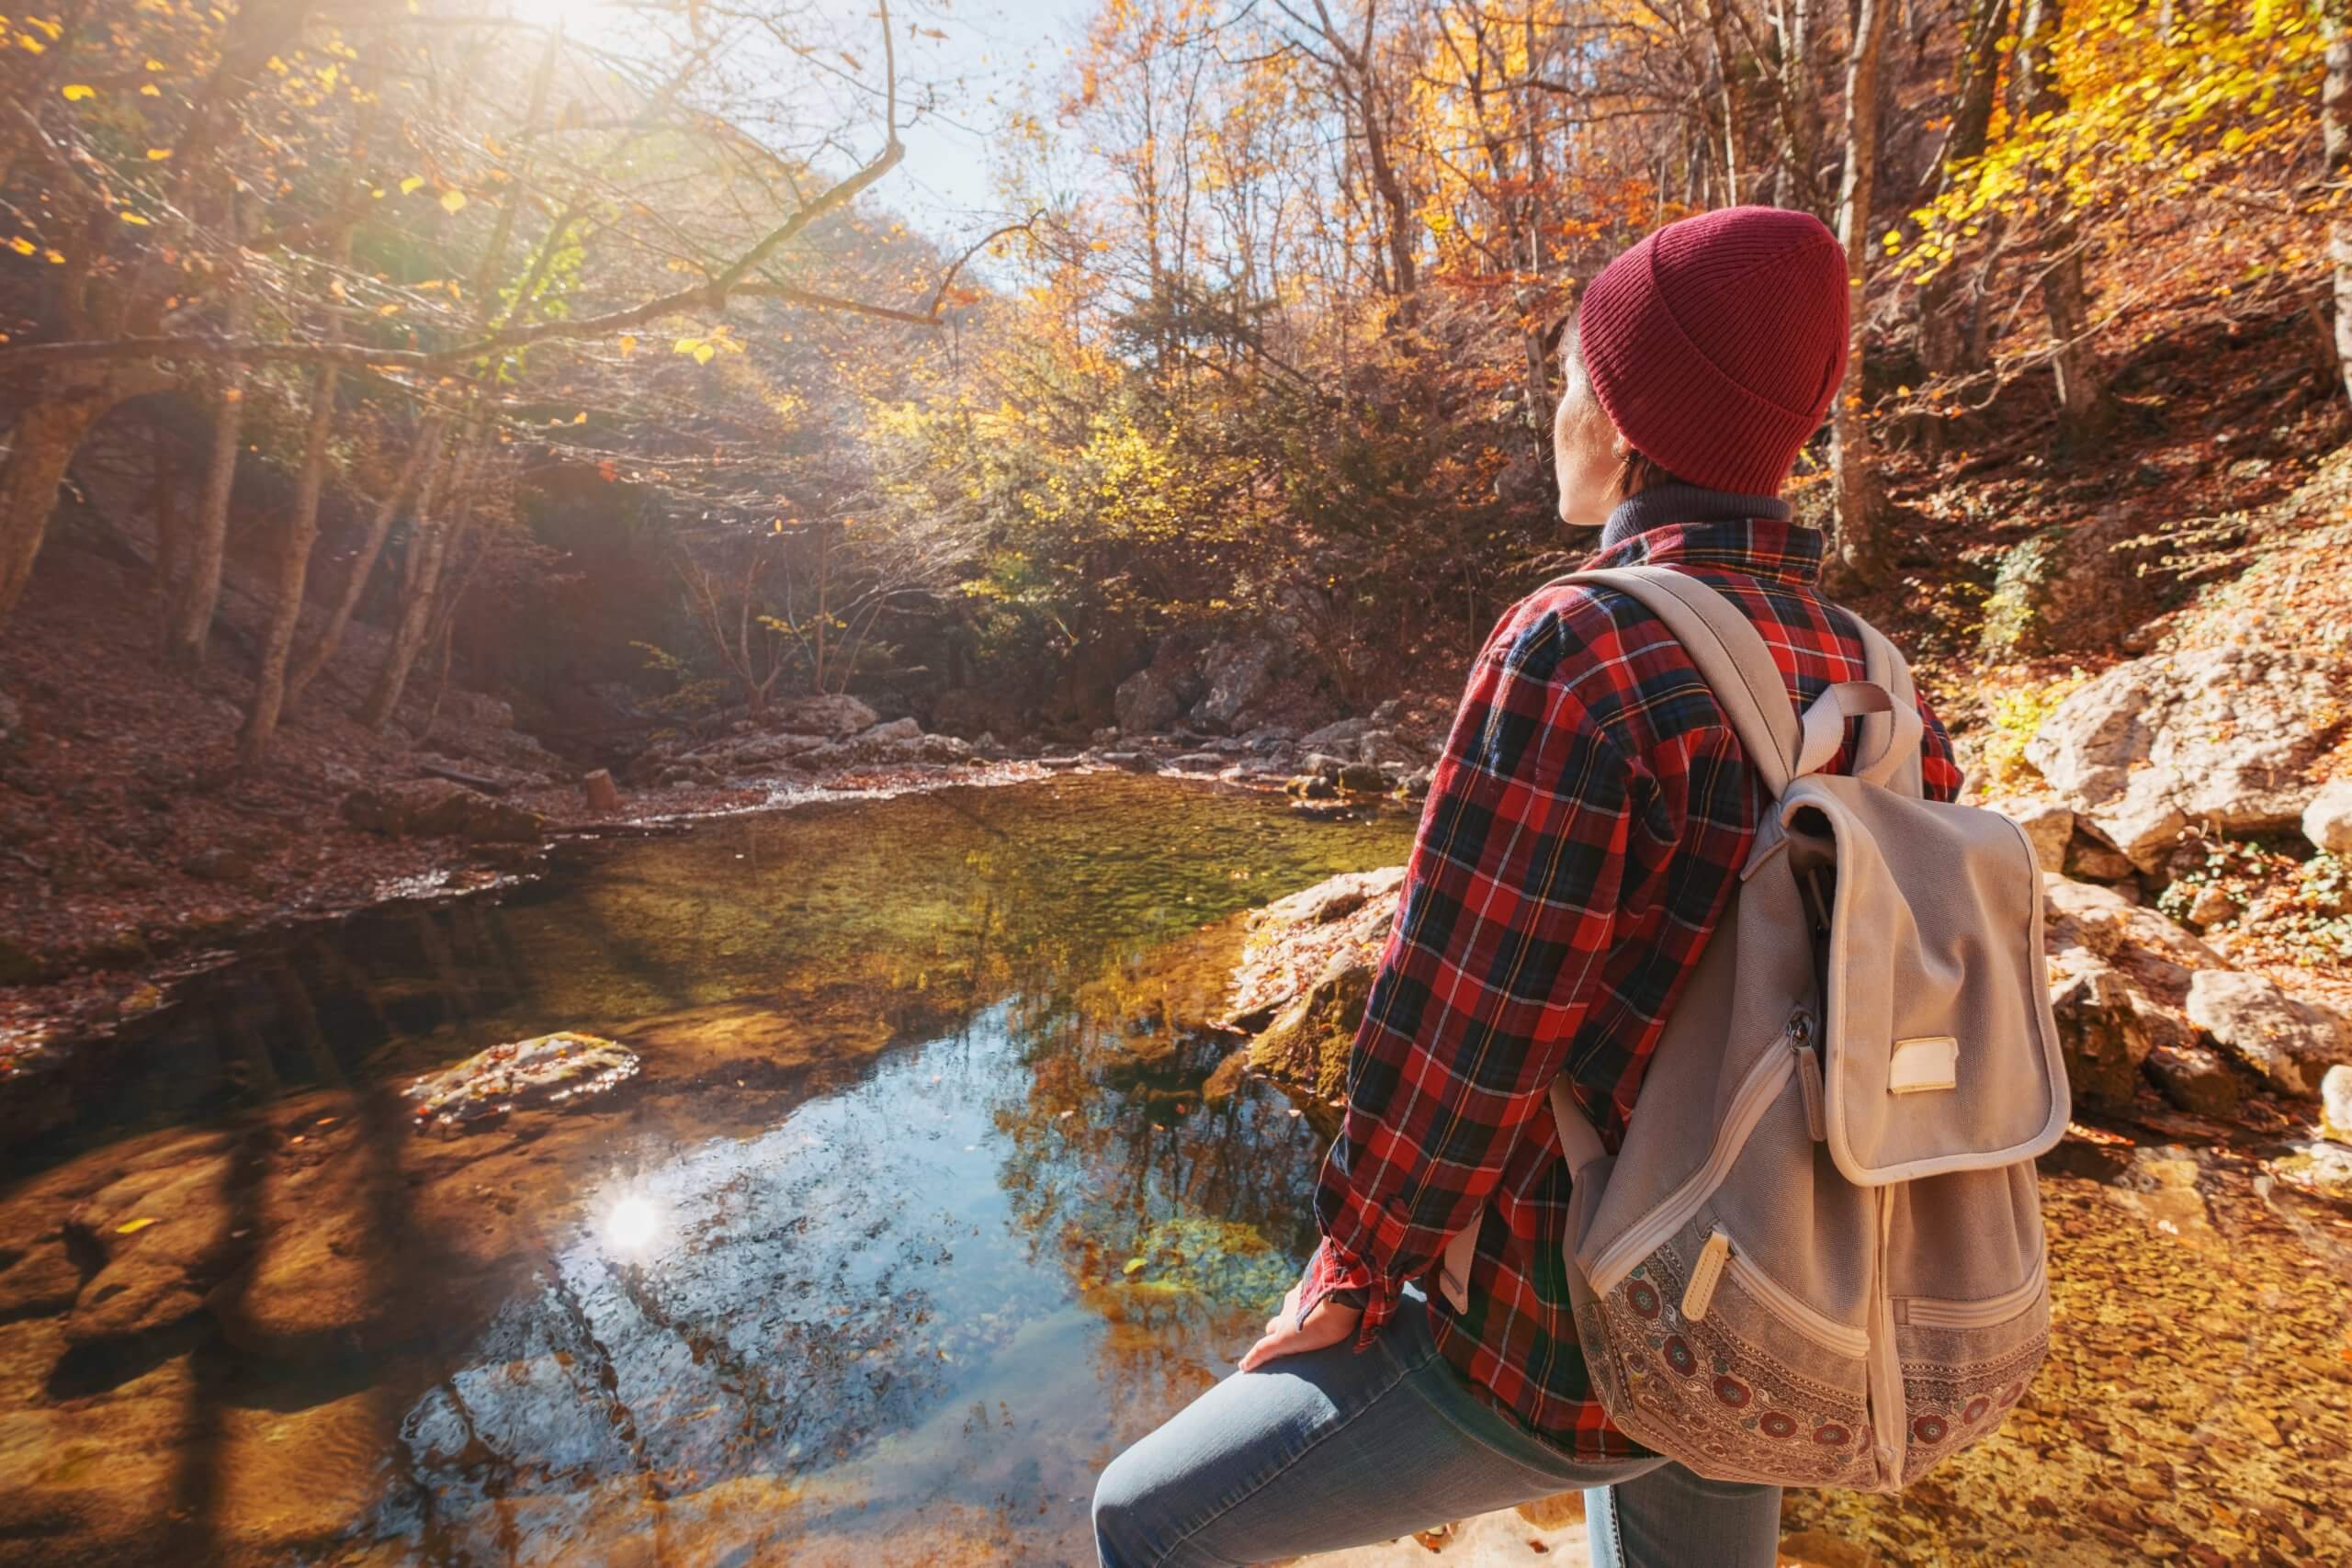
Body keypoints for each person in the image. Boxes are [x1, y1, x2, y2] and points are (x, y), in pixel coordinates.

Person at [1090, 205, 1965, 1568]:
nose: (1554, 409)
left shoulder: (1579, 646)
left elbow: (1462, 1032)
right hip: (1774, 1305)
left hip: (1564, 1331)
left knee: (1146, 1520)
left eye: (1569, 377)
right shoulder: (1878, 676)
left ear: (1624, 423)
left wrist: (1352, 1265)